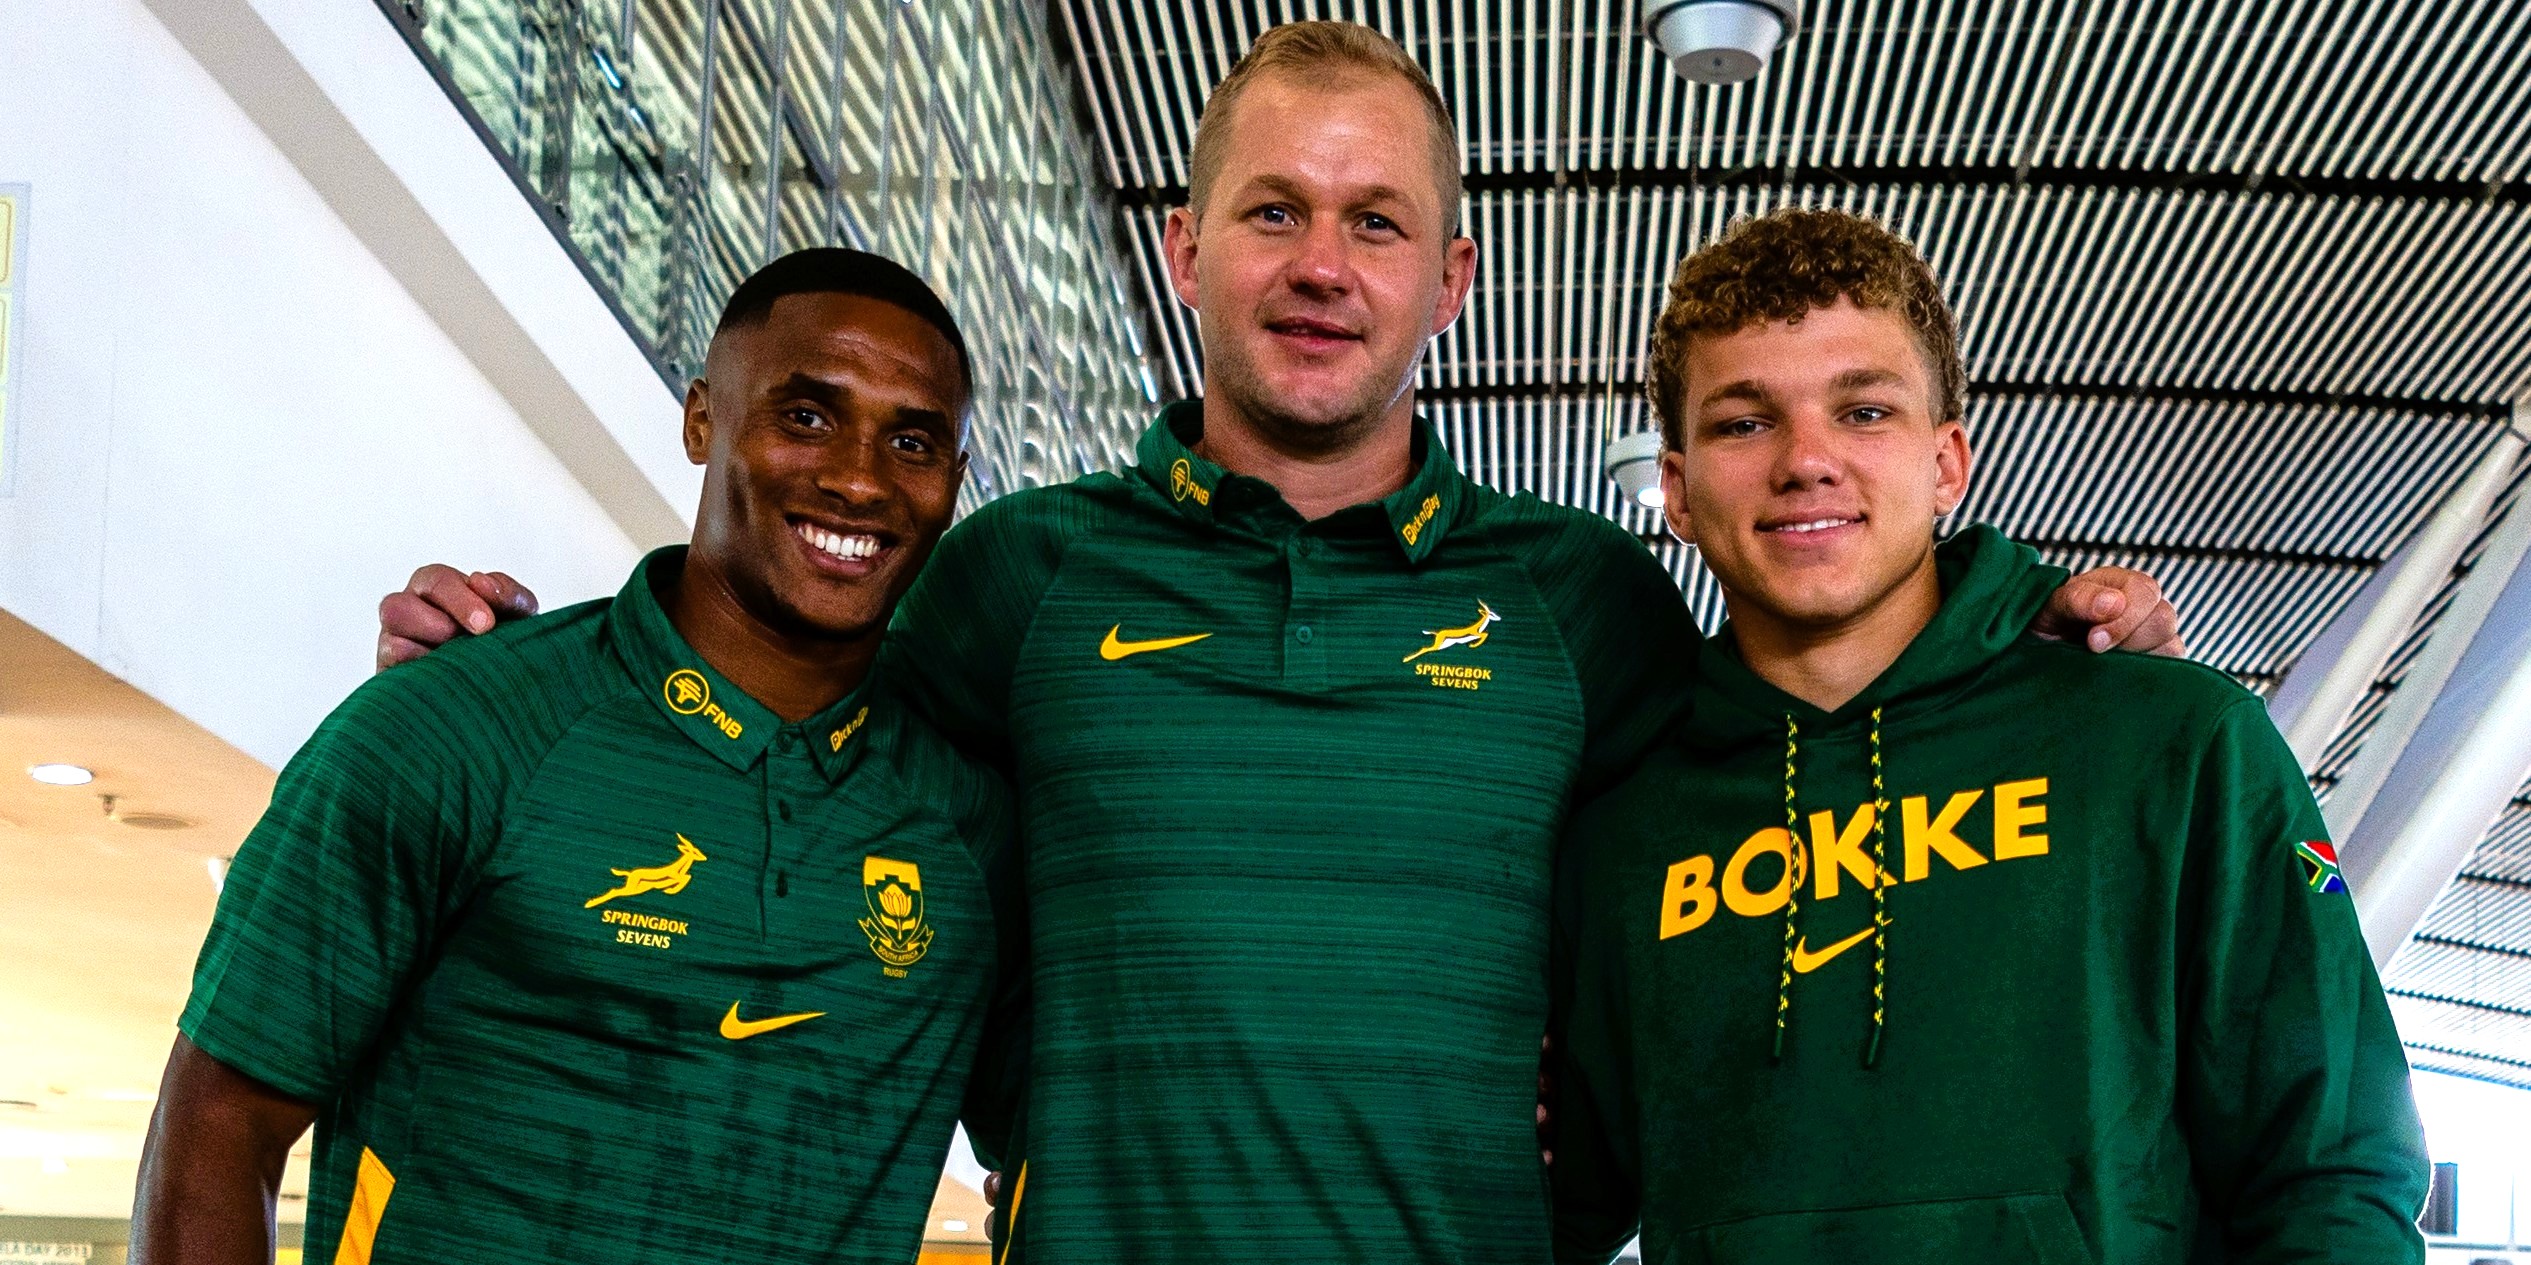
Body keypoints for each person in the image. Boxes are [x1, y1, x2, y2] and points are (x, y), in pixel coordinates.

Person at [374, 23, 2180, 1263]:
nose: (1324, 261)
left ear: (1446, 280)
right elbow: (780, 703)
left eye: (1376, 221)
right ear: (1185, 248)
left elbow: (1818, 712)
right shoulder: (1017, 579)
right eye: (1275, 211)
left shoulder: (1580, 603)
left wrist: (2027, 637)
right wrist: (518, 684)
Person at [1547, 208, 2428, 1264]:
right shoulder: (1622, 827)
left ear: (1945, 462)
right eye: (1743, 422)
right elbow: (1555, 1195)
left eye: (1862, 410)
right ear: (1679, 493)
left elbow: (2332, 1164)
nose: (1806, 460)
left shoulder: (2173, 744)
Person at [133, 250, 1025, 1265]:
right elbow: (214, 1124)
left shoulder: (972, 832)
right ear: (701, 417)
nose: (859, 478)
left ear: (954, 481)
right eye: (806, 416)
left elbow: (1062, 1149)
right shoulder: (451, 726)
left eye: (911, 441)